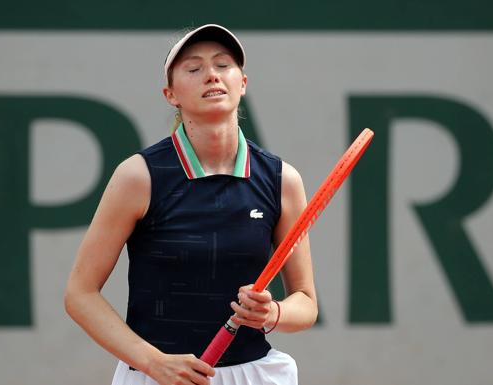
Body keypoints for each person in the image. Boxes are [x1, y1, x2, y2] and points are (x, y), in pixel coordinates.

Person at [64, 24, 318, 385]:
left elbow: (306, 302)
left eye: (223, 65)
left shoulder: (282, 180)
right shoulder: (138, 177)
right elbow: (80, 294)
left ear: (242, 83)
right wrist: (153, 363)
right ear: (171, 94)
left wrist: (273, 313)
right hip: (157, 377)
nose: (211, 75)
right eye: (194, 69)